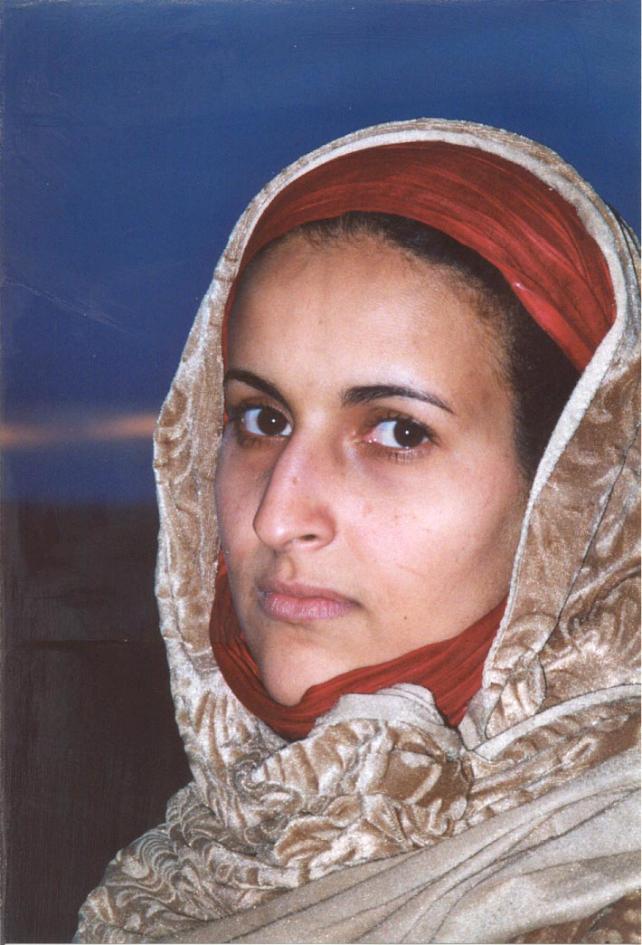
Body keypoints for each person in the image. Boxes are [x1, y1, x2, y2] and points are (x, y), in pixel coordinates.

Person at [75, 119, 640, 944]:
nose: (276, 515)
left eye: (399, 432)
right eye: (261, 418)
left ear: (578, 491)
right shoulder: (184, 875)